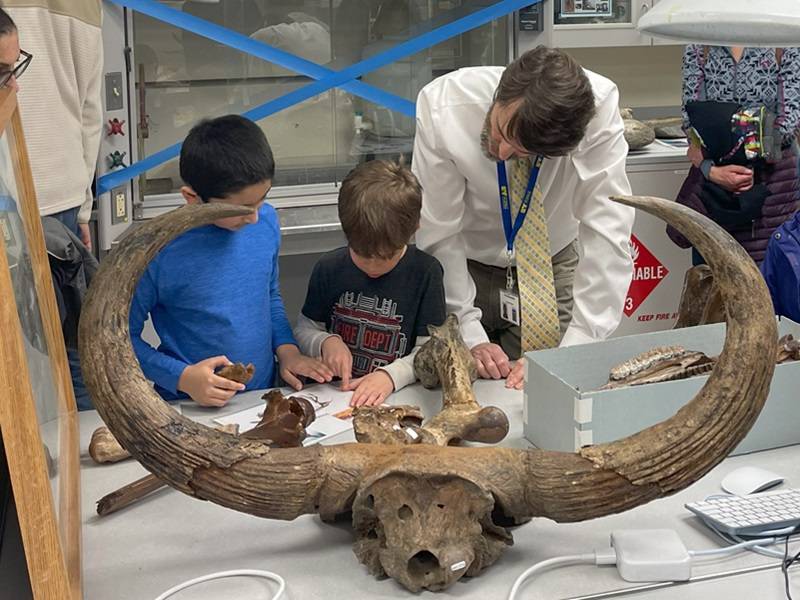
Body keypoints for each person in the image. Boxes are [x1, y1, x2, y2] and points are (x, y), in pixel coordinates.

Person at [411, 45, 634, 390]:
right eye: (501, 131)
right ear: (501, 93)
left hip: (549, 265)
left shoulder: (600, 110)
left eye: (522, 151)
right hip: (463, 265)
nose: (501, 153)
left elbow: (608, 230)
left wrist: (578, 346)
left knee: (545, 391)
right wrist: (467, 330)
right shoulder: (444, 105)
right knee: (463, 388)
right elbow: (439, 231)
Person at [130, 115, 333, 407]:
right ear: (192, 198)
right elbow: (121, 340)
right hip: (187, 405)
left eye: (262, 199)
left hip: (262, 395)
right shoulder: (159, 251)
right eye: (241, 208)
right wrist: (182, 377)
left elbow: (269, 296)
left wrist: (287, 350)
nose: (253, 217)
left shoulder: (265, 221)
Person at [293, 160, 446, 407]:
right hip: (336, 398)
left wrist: (390, 376)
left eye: (387, 256)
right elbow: (304, 328)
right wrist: (324, 342)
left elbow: (431, 350)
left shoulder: (425, 272)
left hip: (399, 398)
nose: (373, 266)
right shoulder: (329, 267)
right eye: (363, 255)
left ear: (415, 228)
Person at [669, 45, 800, 265]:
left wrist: (720, 148)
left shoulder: (782, 42)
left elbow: (786, 125)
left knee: (770, 283)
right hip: (715, 190)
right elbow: (692, 120)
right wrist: (711, 171)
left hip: (774, 193)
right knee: (713, 282)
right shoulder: (701, 43)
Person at [3, 0, 102, 250]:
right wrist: (82, 207)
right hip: (62, 188)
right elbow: (90, 112)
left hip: (14, 195)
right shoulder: (87, 6)